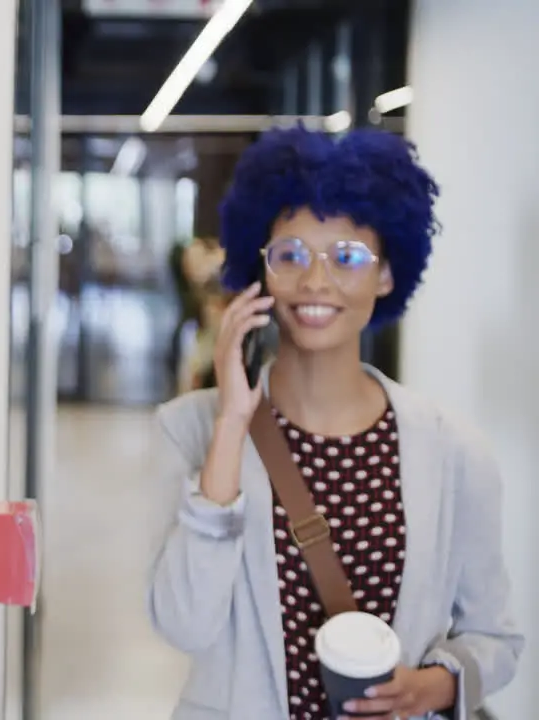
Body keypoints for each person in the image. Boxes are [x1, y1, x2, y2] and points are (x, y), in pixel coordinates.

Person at [146, 127, 523, 719]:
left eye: (348, 258)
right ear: (259, 272)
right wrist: (231, 423)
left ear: (387, 275)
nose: (316, 282)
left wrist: (434, 687)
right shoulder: (190, 430)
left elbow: (497, 640)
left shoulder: (452, 451)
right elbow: (185, 624)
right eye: (290, 255)